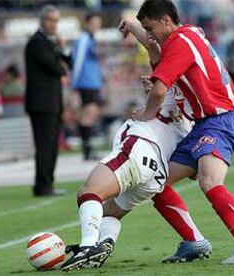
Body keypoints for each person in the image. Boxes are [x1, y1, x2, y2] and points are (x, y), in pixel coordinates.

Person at [130, 0, 234, 265]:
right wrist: (138, 34)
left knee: (209, 181)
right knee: (154, 182)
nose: (149, 35)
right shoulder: (188, 36)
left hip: (220, 122)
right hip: (203, 125)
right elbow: (170, 79)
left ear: (167, 20)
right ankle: (193, 242)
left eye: (150, 28)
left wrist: (146, 115)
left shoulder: (179, 42)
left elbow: (160, 90)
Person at [60, 76, 199, 272]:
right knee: (109, 213)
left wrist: (156, 89)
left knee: (89, 192)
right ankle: (104, 242)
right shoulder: (190, 118)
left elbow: (162, 79)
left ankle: (88, 247)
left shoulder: (174, 95)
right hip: (155, 176)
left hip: (139, 148)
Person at [25, 5, 72, 197]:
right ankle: (43, 185)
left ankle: (47, 183)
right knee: (45, 145)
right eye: (51, 20)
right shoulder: (37, 42)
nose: (54, 24)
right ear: (42, 21)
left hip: (51, 102)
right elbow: (56, 68)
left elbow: (69, 62)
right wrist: (59, 60)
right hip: (42, 103)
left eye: (56, 21)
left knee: (51, 144)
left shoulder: (49, 43)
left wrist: (62, 47)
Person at [71, 13, 103, 161]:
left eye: (98, 23)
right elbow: (77, 62)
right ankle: (87, 150)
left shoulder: (91, 39)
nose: (97, 26)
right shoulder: (83, 39)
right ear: (87, 23)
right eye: (94, 23)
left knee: (91, 114)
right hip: (86, 83)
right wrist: (74, 84)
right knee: (87, 114)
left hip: (93, 83)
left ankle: (88, 149)